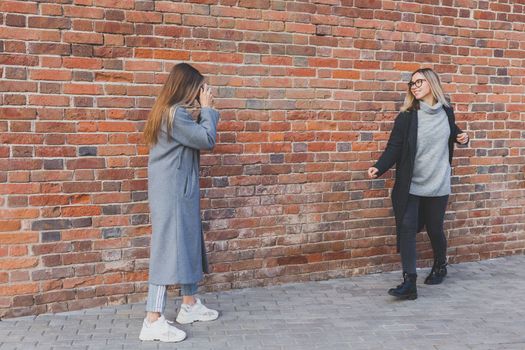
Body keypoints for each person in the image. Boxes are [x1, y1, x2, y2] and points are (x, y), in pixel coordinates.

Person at [367, 68, 469, 300]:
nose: (414, 86)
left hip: (438, 181)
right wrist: (379, 167)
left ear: (432, 83)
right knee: (407, 228)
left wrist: (463, 138)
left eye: (419, 82)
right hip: (411, 184)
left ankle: (440, 265)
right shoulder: (407, 116)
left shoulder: (446, 112)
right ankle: (409, 282)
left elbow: (452, 132)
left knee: (434, 228)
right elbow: (394, 147)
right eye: (411, 84)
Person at [139, 63, 220, 342]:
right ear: (187, 87)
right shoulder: (174, 115)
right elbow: (207, 139)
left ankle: (189, 304)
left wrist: (201, 110)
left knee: (186, 242)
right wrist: (207, 108)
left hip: (176, 192)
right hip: (173, 194)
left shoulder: (171, 113)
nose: (202, 92)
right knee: (166, 249)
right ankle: (153, 318)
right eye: (199, 87)